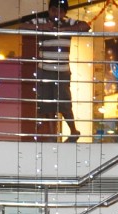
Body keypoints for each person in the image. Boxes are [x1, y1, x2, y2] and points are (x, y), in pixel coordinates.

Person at [27, 0, 90, 142]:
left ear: (65, 12)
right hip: (44, 69)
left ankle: (73, 131)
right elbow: (23, 26)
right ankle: (51, 133)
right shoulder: (42, 21)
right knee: (46, 104)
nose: (56, 14)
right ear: (49, 10)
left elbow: (86, 26)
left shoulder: (69, 23)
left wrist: (62, 30)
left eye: (60, 11)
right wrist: (42, 27)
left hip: (62, 71)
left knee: (65, 103)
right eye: (54, 10)